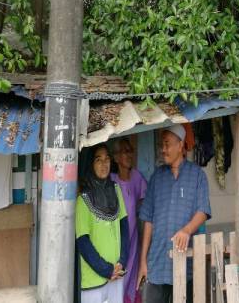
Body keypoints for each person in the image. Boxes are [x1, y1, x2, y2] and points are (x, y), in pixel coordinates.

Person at [137, 124, 211, 303]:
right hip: (157, 262)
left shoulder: (197, 175)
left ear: (181, 145)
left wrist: (186, 230)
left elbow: (203, 210)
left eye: (167, 144)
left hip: (186, 264)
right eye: (161, 145)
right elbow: (148, 220)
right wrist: (143, 262)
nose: (163, 150)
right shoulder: (157, 177)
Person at [76, 145, 129, 303]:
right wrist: (106, 270)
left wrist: (122, 262)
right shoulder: (82, 200)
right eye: (98, 160)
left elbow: (124, 227)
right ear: (90, 165)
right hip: (94, 281)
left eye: (107, 159)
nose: (104, 164)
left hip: (117, 274)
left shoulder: (115, 189)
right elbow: (83, 243)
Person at [111, 138, 147, 303]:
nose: (129, 154)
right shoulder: (111, 180)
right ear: (116, 157)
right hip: (115, 243)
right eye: (125, 151)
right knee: (116, 282)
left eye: (130, 150)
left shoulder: (136, 177)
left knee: (132, 281)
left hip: (133, 241)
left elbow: (147, 201)